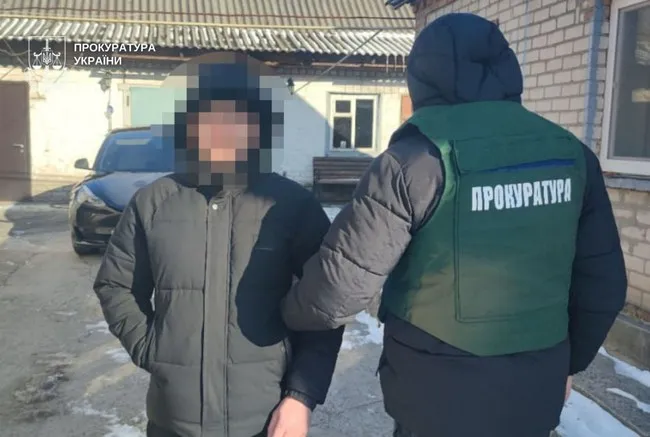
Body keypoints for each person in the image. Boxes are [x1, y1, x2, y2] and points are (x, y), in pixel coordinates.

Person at [281, 13, 627, 437]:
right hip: (535, 394)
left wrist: (282, 310)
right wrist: (566, 364)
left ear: (422, 78)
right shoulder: (573, 155)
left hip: (433, 398)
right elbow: (604, 286)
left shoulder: (414, 161)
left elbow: (337, 290)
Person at [93, 54, 344, 437]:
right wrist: (150, 347)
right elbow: (116, 285)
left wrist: (301, 395)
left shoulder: (292, 206)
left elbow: (325, 304)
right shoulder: (153, 203)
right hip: (173, 422)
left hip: (264, 420)